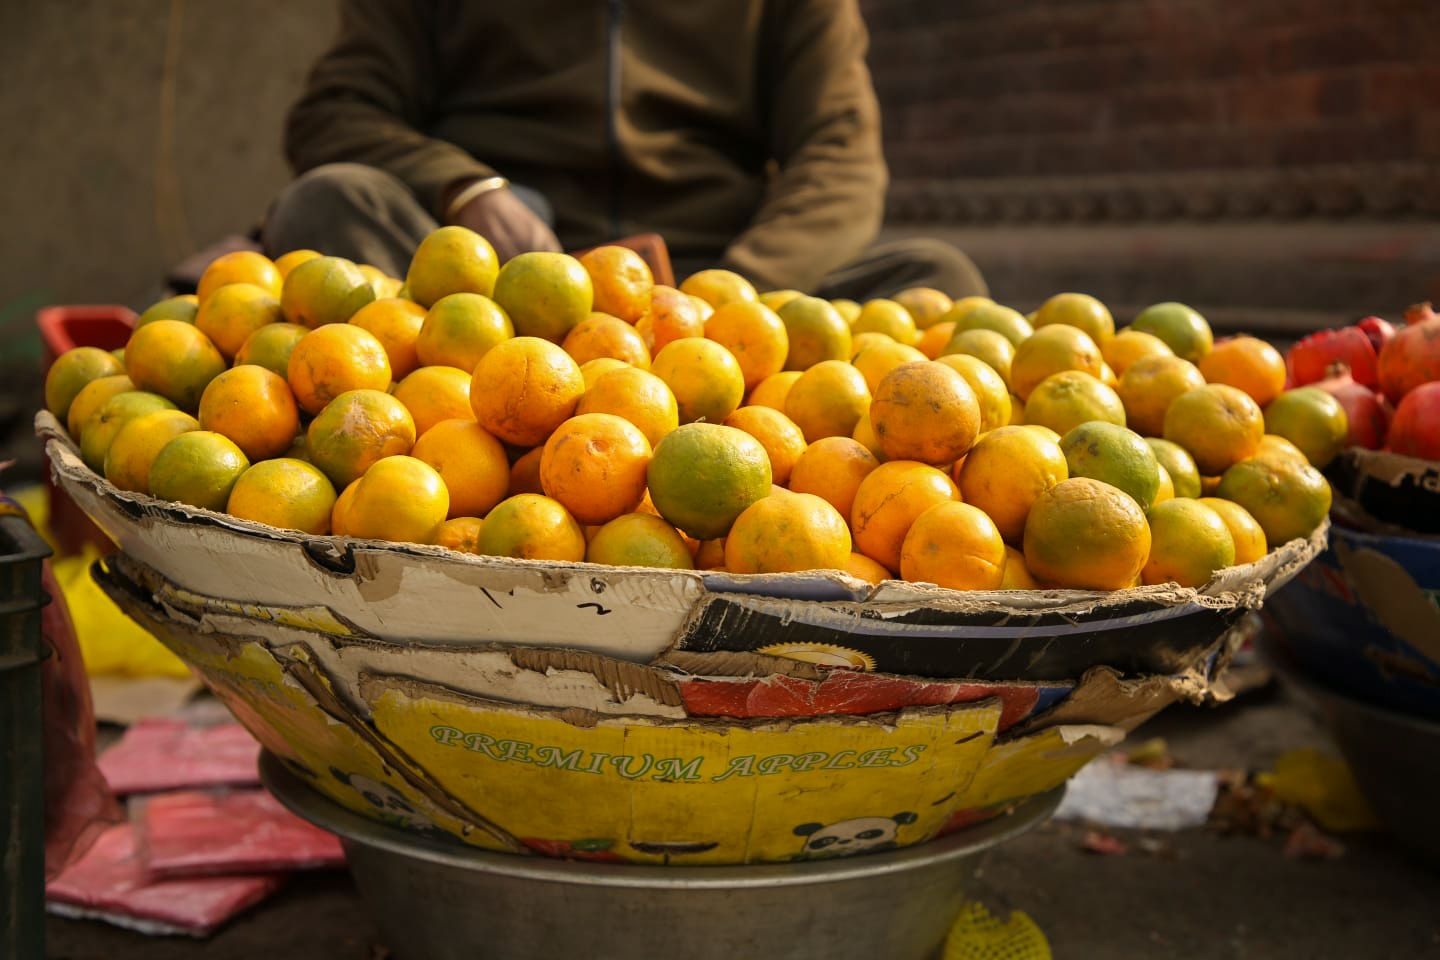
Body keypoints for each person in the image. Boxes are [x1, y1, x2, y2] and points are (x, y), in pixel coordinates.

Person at [261, 0, 986, 302]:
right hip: (489, 291)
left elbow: (842, 155)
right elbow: (335, 110)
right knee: (329, 202)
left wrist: (728, 295)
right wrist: (467, 190)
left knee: (935, 279)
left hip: (718, 280)